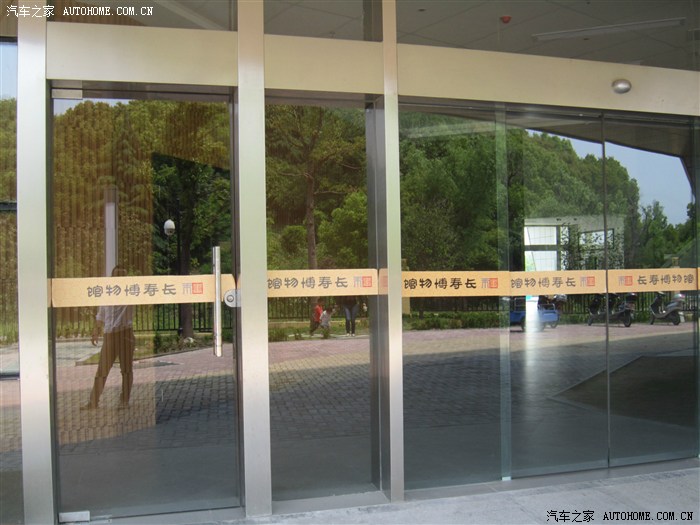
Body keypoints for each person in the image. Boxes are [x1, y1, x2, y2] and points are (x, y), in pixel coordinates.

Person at [82, 266, 135, 410]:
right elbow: (101, 314)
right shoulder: (106, 293)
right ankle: (93, 402)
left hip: (125, 334)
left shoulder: (131, 293)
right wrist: (96, 330)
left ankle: (124, 401)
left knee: (126, 370)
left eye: (122, 275)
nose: (120, 278)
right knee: (102, 370)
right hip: (109, 336)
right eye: (117, 275)